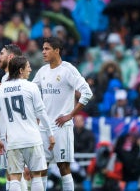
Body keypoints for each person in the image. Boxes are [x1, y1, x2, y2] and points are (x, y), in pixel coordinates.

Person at [32, 37, 93, 191]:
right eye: (43, 49)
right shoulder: (42, 71)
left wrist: (70, 115)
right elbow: (30, 91)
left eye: (47, 49)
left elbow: (87, 93)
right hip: (44, 127)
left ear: (57, 50)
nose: (43, 52)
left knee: (63, 167)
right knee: (41, 167)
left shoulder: (68, 69)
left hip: (61, 126)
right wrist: (11, 84)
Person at [0, 56, 55, 191]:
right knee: (36, 175)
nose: (30, 69)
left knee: (14, 177)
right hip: (32, 139)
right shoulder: (31, 87)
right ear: (20, 70)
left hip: (13, 141)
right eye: (28, 67)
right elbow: (41, 112)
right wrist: (50, 133)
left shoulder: (0, 90)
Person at [0, 43, 22, 190]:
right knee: (11, 173)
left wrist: (2, 90)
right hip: (8, 131)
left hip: (16, 131)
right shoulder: (5, 78)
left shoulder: (18, 76)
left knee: (18, 173)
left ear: (11, 56)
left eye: (1, 54)